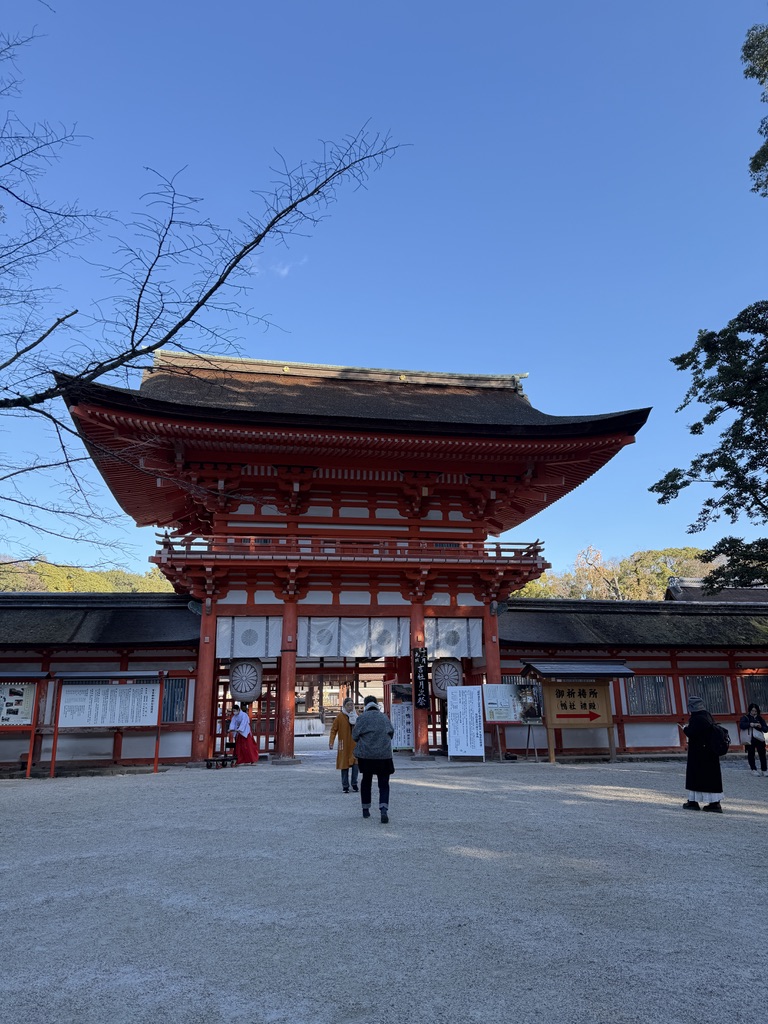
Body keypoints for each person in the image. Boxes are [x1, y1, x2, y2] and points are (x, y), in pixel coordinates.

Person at [351, 694, 395, 823]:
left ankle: (365, 809)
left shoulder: (362, 718)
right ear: (376, 704)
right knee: (384, 783)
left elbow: (355, 736)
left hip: (367, 755)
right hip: (384, 755)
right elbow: (391, 732)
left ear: (365, 705)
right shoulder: (384, 717)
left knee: (366, 781)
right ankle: (383, 809)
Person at [682, 695, 724, 813]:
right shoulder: (707, 716)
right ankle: (714, 802)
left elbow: (692, 733)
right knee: (711, 778)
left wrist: (685, 729)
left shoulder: (696, 718)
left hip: (699, 753)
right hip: (710, 752)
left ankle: (693, 801)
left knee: (696, 777)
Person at [329, 697, 359, 793]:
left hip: (355, 744)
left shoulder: (357, 716)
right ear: (344, 706)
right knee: (344, 764)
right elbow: (334, 730)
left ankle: (354, 783)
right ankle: (345, 785)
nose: (350, 707)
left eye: (351, 705)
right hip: (344, 743)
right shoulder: (340, 717)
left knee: (356, 764)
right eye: (348, 705)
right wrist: (331, 742)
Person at [739, 703, 768, 776]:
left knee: (762, 754)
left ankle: (764, 769)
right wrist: (750, 724)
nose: (754, 712)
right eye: (752, 711)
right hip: (750, 738)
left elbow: (765, 729)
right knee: (751, 754)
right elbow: (741, 725)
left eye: (755, 711)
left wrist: (760, 726)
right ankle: (753, 769)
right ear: (750, 710)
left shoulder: (760, 718)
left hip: (759, 738)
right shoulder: (746, 717)